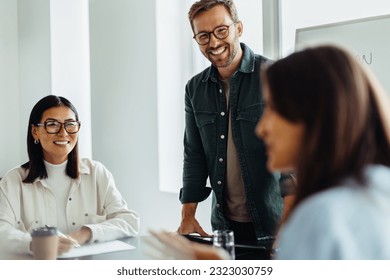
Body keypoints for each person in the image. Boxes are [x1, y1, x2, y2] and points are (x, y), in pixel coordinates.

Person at [147, 45, 390, 259]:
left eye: (273, 109)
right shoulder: (378, 188)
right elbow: (194, 153)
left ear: (314, 116)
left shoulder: (319, 218)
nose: (261, 129)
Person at [178, 0, 295, 249]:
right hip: (224, 228)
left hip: (274, 226)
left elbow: (293, 162)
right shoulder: (194, 89)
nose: (214, 42)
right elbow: (194, 155)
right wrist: (188, 216)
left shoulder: (274, 77)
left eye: (221, 30)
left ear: (238, 28)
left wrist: (288, 225)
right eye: (203, 36)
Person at [0, 95, 140, 257]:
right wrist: (36, 243)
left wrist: (85, 234)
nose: (63, 132)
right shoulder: (13, 180)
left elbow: (129, 221)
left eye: (70, 125)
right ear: (35, 131)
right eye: (52, 125)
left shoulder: (97, 173)